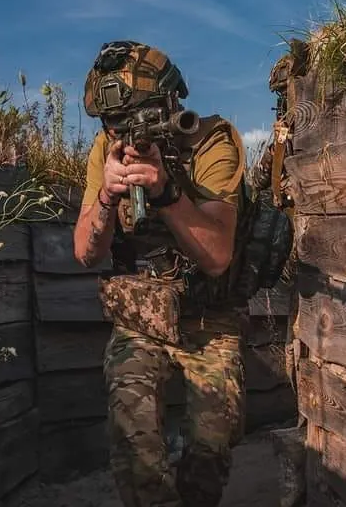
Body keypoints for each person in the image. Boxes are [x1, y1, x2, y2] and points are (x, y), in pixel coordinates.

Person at [73, 40, 249, 507]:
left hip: (208, 315)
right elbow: (85, 253)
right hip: (141, 314)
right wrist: (109, 197)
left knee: (211, 448)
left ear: (171, 103)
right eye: (113, 124)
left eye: (138, 117)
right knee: (135, 442)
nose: (124, 134)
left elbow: (216, 257)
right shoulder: (106, 150)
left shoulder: (212, 140)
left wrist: (167, 193)